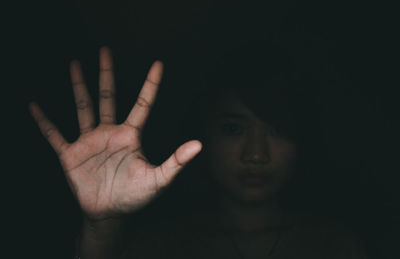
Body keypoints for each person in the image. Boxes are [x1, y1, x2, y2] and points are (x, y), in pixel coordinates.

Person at [30, 45, 369, 259]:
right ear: (203, 132)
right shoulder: (159, 247)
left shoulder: (335, 246)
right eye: (234, 129)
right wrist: (101, 227)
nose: (256, 154)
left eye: (278, 130)